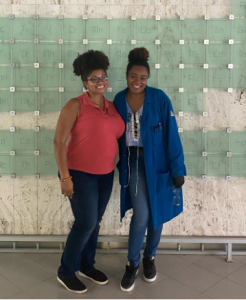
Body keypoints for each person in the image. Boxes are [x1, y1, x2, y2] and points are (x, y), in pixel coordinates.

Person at [113, 47, 186, 292]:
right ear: (126, 76)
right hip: (133, 162)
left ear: (148, 78)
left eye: (142, 78)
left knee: (157, 213)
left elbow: (172, 135)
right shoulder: (118, 100)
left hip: (159, 163)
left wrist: (178, 168)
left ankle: (149, 258)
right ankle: (131, 263)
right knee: (142, 214)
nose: (138, 81)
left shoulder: (160, 98)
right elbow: (110, 135)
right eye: (133, 76)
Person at [53, 50, 125, 294]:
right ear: (84, 82)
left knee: (94, 223)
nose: (100, 81)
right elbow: (58, 142)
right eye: (94, 78)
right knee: (85, 223)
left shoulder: (113, 107)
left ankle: (86, 265)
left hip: (105, 174)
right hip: (80, 174)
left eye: (103, 76)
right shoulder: (75, 105)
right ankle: (66, 271)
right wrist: (65, 177)